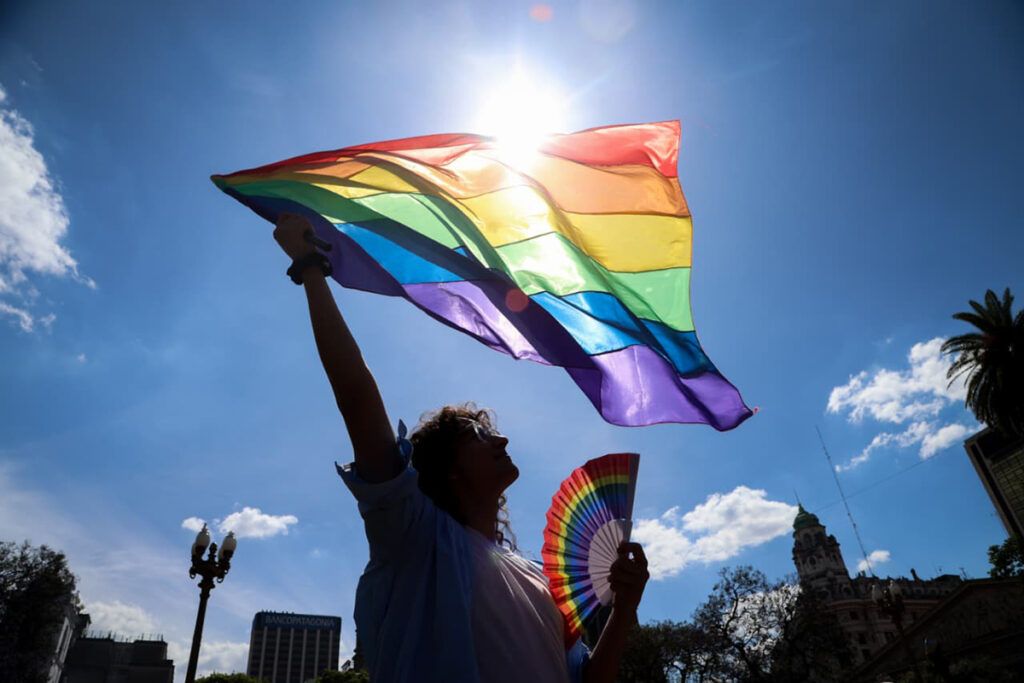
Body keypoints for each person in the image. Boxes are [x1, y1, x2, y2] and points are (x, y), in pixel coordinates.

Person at [273, 213, 650, 683]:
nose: (503, 439)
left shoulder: (541, 581)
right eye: (479, 435)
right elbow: (356, 398)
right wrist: (310, 267)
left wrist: (623, 609)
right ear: (448, 467)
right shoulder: (415, 538)